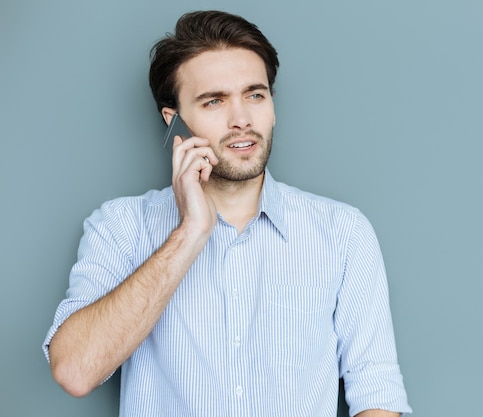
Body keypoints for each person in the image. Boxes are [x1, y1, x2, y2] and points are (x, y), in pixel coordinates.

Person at [43, 10, 411, 417]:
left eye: (255, 94)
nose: (242, 120)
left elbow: (377, 393)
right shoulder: (120, 227)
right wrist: (190, 233)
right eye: (214, 100)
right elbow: (75, 372)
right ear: (174, 123)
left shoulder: (343, 232)